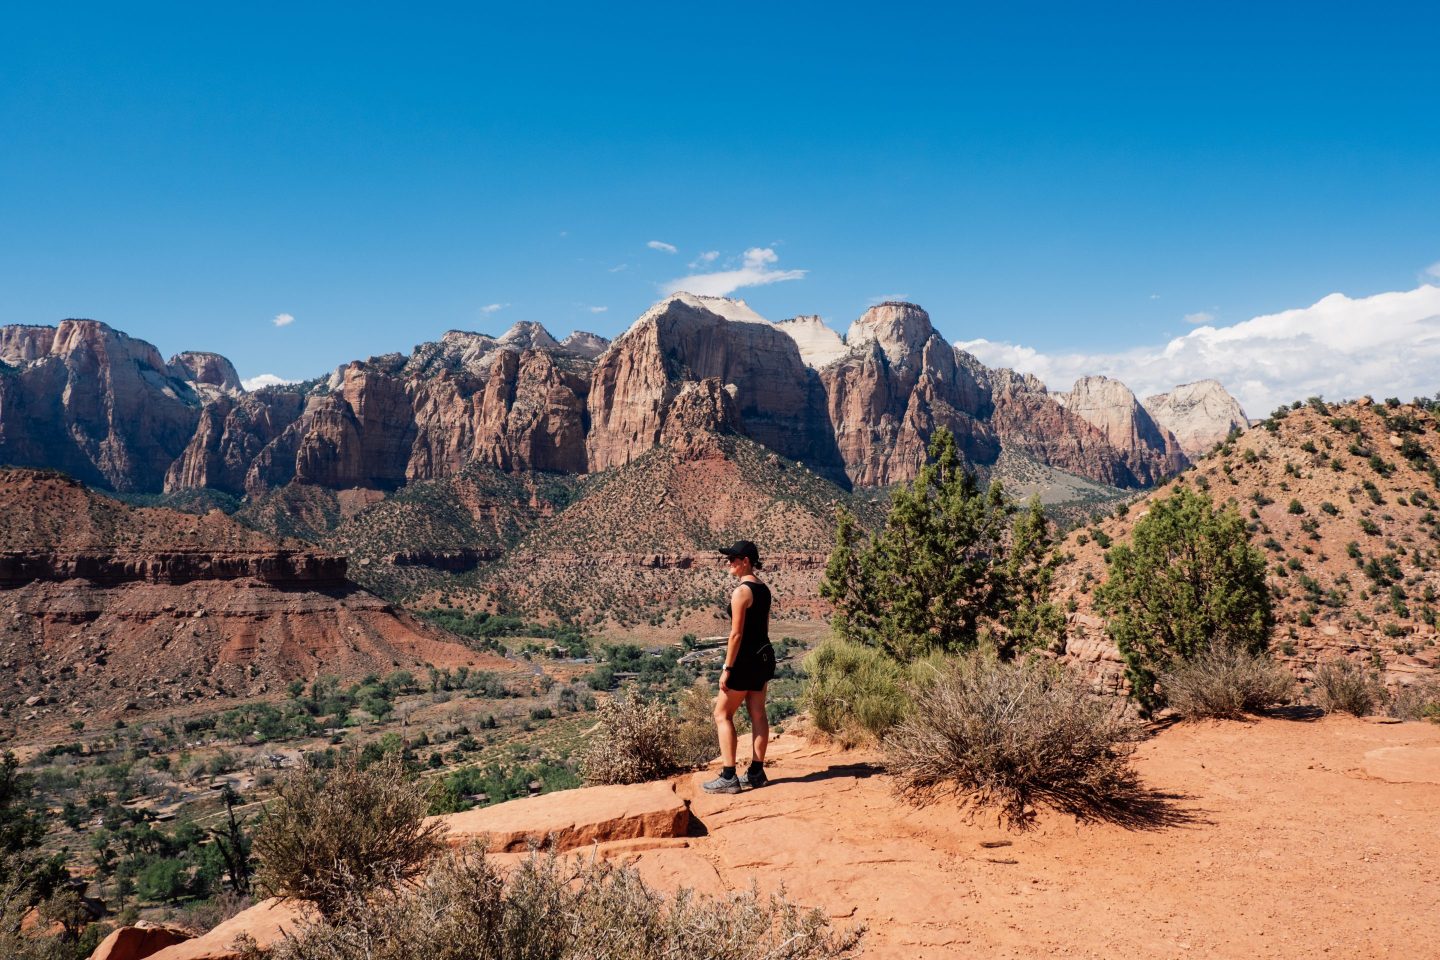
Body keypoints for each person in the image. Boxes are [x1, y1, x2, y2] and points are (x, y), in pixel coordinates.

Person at [703, 539, 776, 794]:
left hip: (743, 660)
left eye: (733, 559)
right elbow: (764, 628)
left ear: (746, 561)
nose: (729, 563)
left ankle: (728, 776)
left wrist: (727, 668)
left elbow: (735, 635)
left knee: (722, 714)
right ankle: (756, 772)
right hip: (763, 657)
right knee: (758, 713)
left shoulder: (741, 592)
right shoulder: (764, 589)